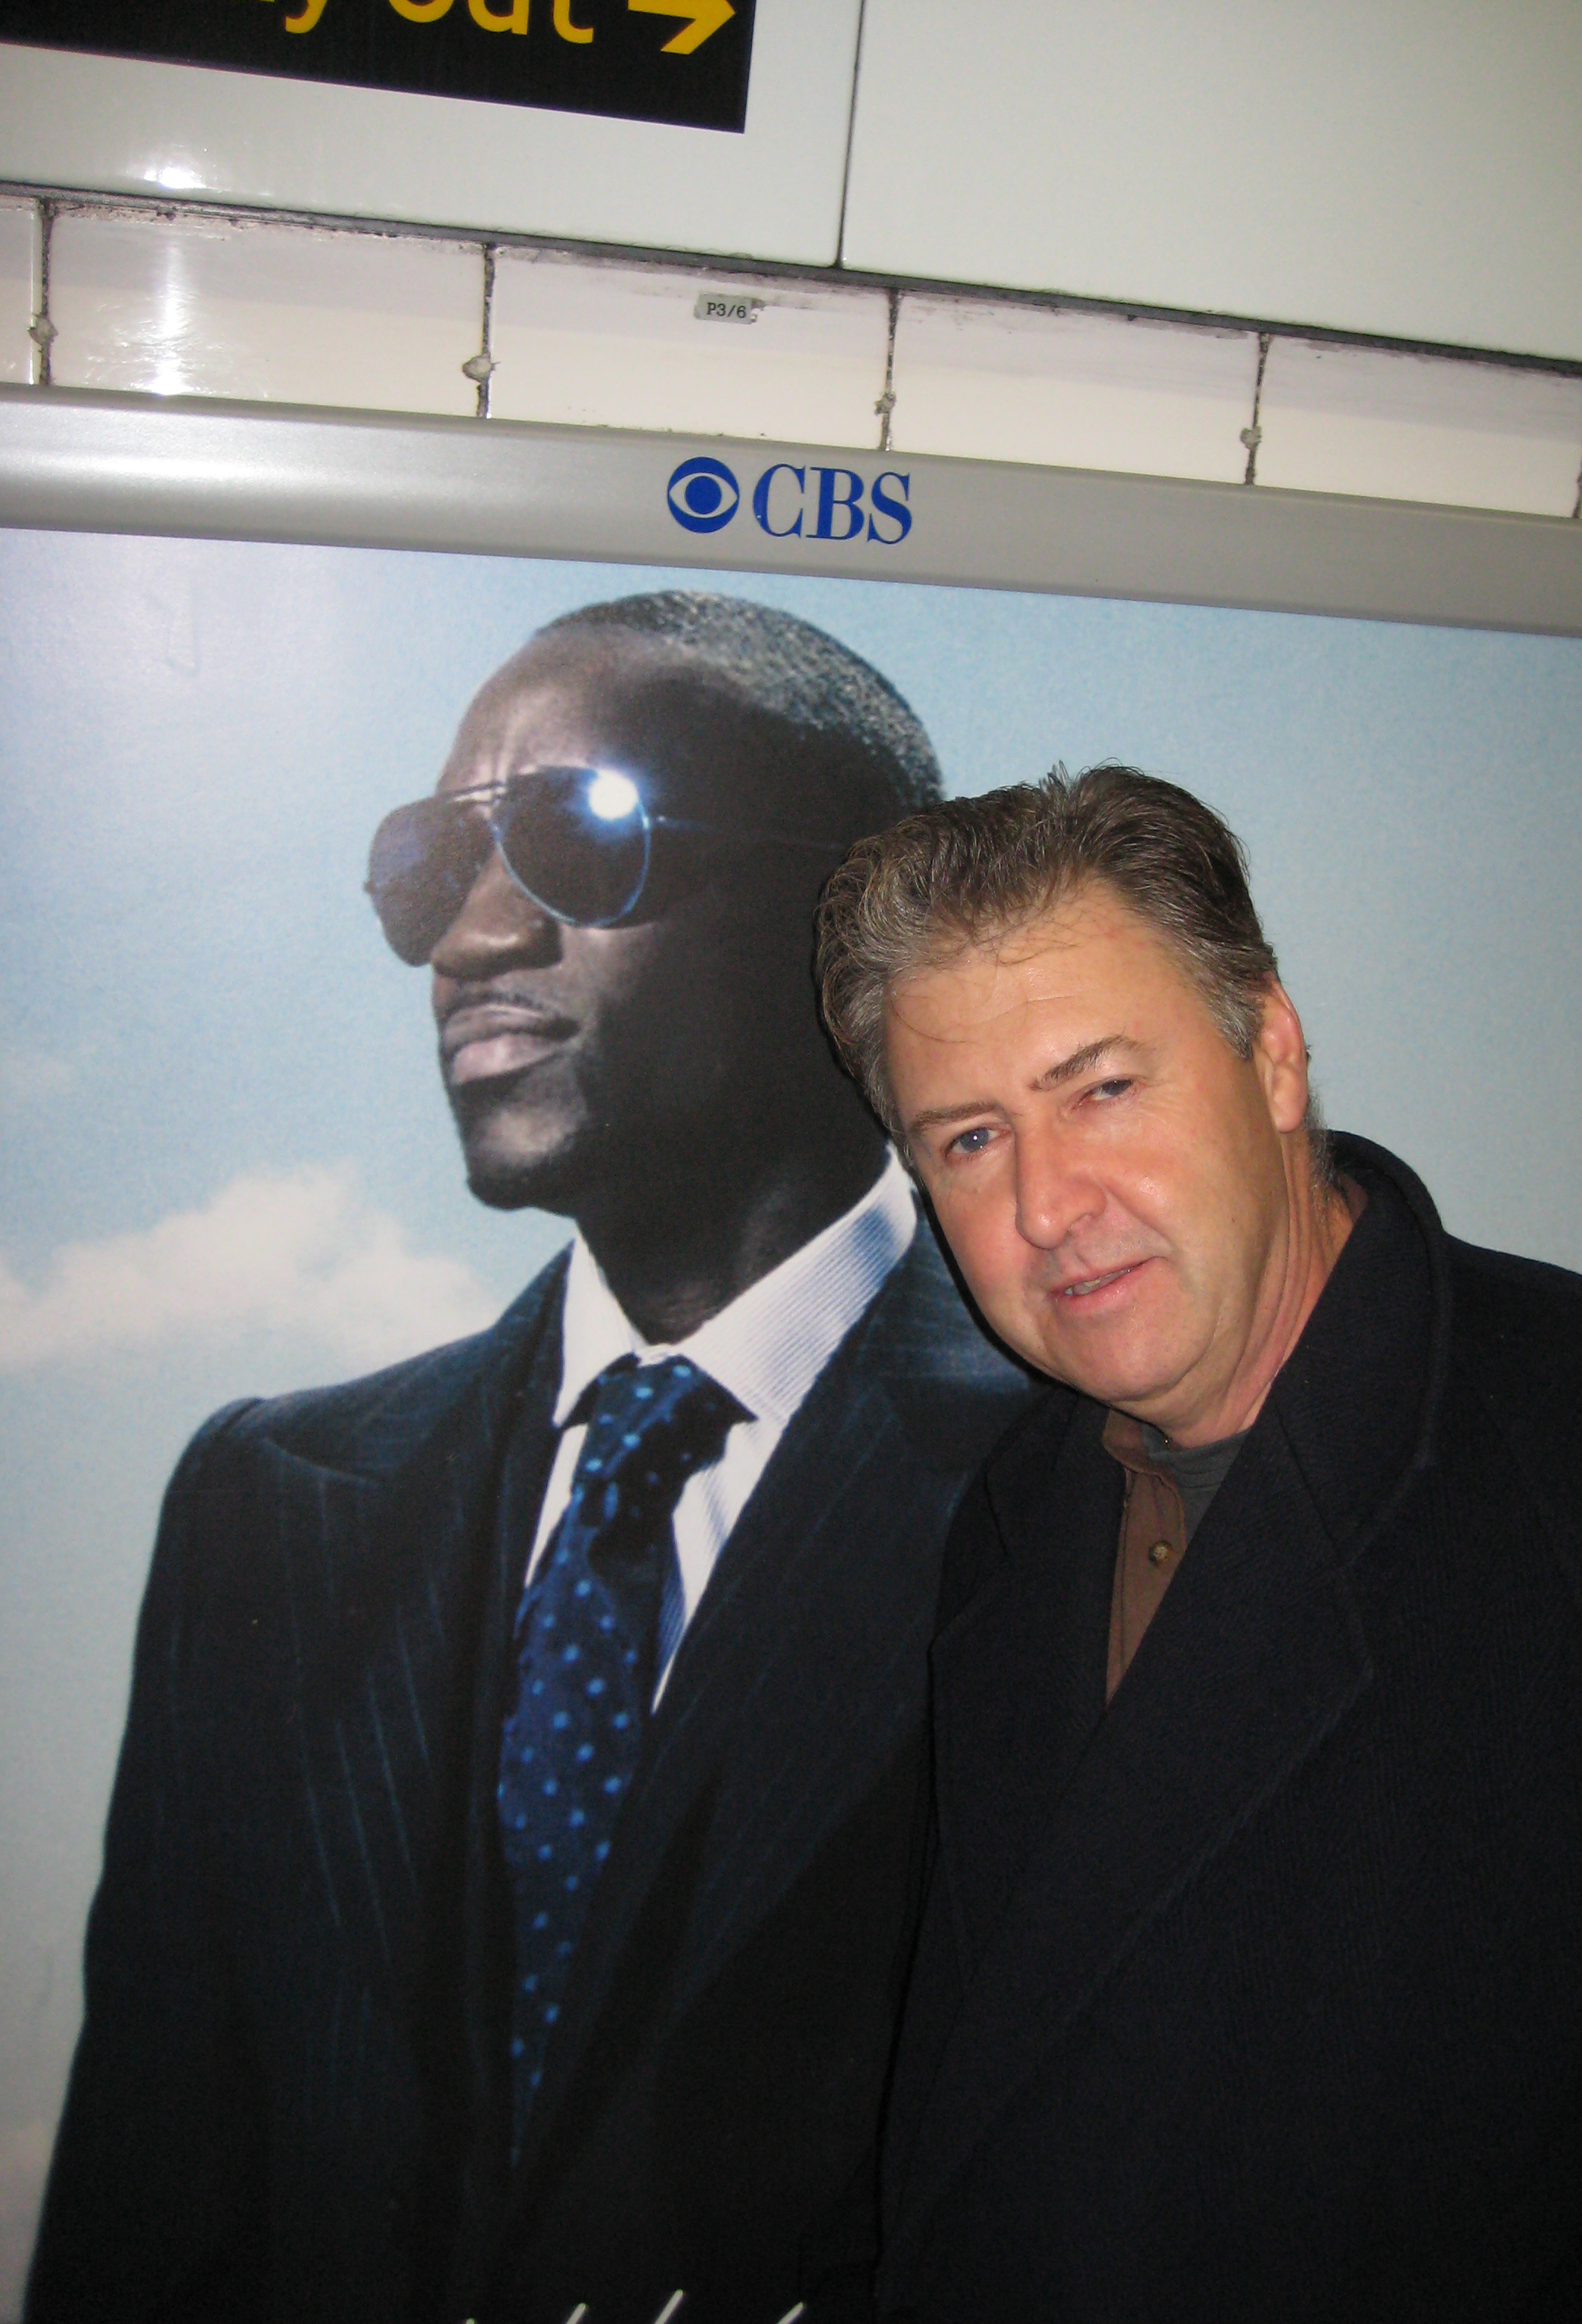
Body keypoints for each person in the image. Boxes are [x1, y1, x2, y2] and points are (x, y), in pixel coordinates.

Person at [26, 593, 1036, 2324]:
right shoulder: (270, 1511)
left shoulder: (1085, 1489)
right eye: (427, 865)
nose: (472, 935)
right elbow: (151, 2210)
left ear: (855, 931)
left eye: (581, 837)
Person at [814, 763, 1582, 2322]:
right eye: (970, 1140)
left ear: (1275, 1054)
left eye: (1103, 1089)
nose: (1048, 1204)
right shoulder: (1020, 1506)